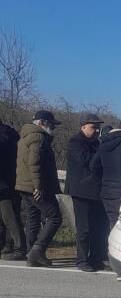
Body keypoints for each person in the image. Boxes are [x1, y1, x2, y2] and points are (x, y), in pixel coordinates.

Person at [15, 110, 64, 267]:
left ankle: (32, 253)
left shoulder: (25, 136)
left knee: (33, 218)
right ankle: (37, 251)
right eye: (52, 124)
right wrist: (38, 186)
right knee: (55, 217)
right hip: (34, 186)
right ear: (42, 122)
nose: (53, 128)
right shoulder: (38, 137)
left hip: (23, 185)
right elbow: (34, 162)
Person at [65, 114, 109, 272]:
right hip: (81, 191)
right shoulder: (75, 142)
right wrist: (102, 152)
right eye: (93, 127)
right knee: (84, 228)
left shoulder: (97, 143)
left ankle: (96, 258)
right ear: (83, 126)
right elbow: (87, 160)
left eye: (98, 128)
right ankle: (82, 260)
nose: (96, 130)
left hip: (97, 191)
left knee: (99, 227)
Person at [0, 118, 25, 260]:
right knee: (5, 217)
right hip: (9, 181)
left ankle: (19, 247)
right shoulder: (10, 134)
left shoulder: (6, 135)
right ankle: (8, 245)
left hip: (7, 183)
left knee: (9, 217)